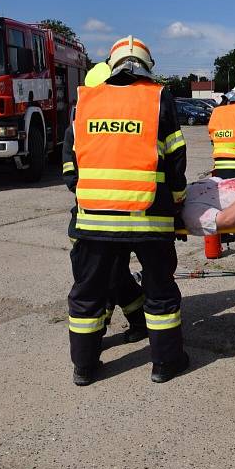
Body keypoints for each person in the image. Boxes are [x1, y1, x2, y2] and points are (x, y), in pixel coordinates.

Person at [67, 35, 189, 385]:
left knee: (88, 293)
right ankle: (166, 364)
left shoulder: (85, 101)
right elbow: (176, 156)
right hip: (149, 216)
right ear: (147, 67)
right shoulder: (157, 97)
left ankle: (84, 367)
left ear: (112, 64)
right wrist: (178, 198)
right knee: (160, 290)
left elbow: (73, 160)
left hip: (95, 216)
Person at [63, 120, 147, 344]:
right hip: (95, 223)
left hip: (97, 222)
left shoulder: (80, 125)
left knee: (108, 278)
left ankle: (96, 336)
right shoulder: (78, 127)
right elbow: (71, 176)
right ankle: (131, 323)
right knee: (108, 279)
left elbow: (72, 179)